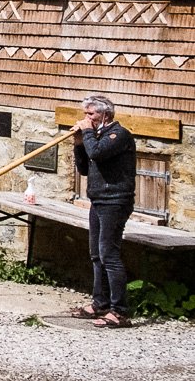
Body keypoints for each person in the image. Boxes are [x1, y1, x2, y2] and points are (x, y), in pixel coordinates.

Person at [69, 94, 137, 328]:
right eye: (85, 114)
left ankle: (119, 311)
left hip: (115, 202)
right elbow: (85, 168)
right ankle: (101, 304)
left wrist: (86, 133)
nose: (86, 118)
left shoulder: (119, 135)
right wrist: (79, 143)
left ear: (105, 115)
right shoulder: (95, 137)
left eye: (91, 114)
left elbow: (98, 153)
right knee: (96, 254)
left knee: (109, 254)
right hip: (98, 201)